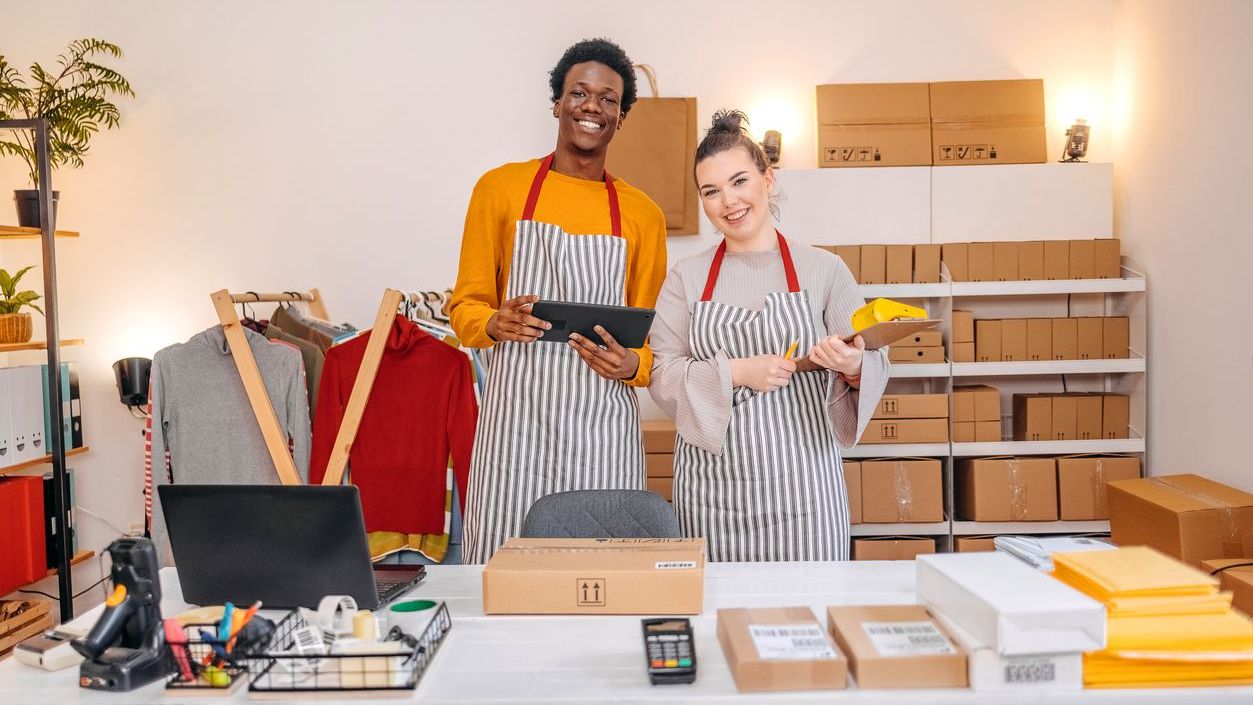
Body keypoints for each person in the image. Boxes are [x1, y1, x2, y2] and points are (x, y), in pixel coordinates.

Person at [450, 38, 668, 563]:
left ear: (621, 117)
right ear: (557, 103)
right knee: (505, 568)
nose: (592, 106)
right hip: (516, 429)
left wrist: (632, 365)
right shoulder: (499, 189)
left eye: (608, 99)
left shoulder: (643, 215)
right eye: (579, 93)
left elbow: (655, 345)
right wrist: (494, 323)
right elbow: (465, 307)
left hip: (603, 431)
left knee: (605, 573)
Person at [648, 110, 888, 562]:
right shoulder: (687, 277)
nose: (729, 201)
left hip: (806, 496)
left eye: (739, 181)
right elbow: (661, 374)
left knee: (810, 605)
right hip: (711, 497)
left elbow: (871, 357)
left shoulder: (824, 269)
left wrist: (852, 365)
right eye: (711, 191)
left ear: (768, 179)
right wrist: (738, 372)